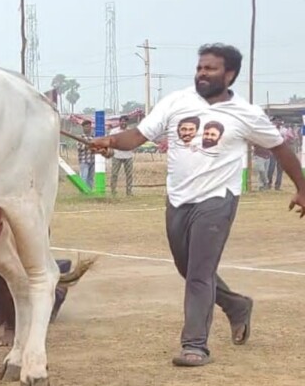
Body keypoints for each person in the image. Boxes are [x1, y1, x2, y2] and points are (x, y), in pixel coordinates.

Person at [91, 43, 305, 367]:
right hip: (178, 199)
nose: (202, 73)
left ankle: (195, 345)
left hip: (217, 200)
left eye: (210, 68)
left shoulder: (247, 114)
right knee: (188, 269)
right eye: (200, 67)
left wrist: (302, 189)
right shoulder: (177, 101)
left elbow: (281, 149)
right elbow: (138, 135)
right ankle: (236, 305)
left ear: (229, 74)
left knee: (199, 274)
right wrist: (110, 141)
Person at [109, 115, 135, 196]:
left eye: (125, 121)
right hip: (117, 155)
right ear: (119, 122)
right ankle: (113, 191)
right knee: (114, 174)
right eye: (122, 121)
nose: (123, 123)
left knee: (129, 175)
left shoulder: (130, 131)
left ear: (127, 122)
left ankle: (129, 191)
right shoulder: (114, 131)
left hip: (128, 156)